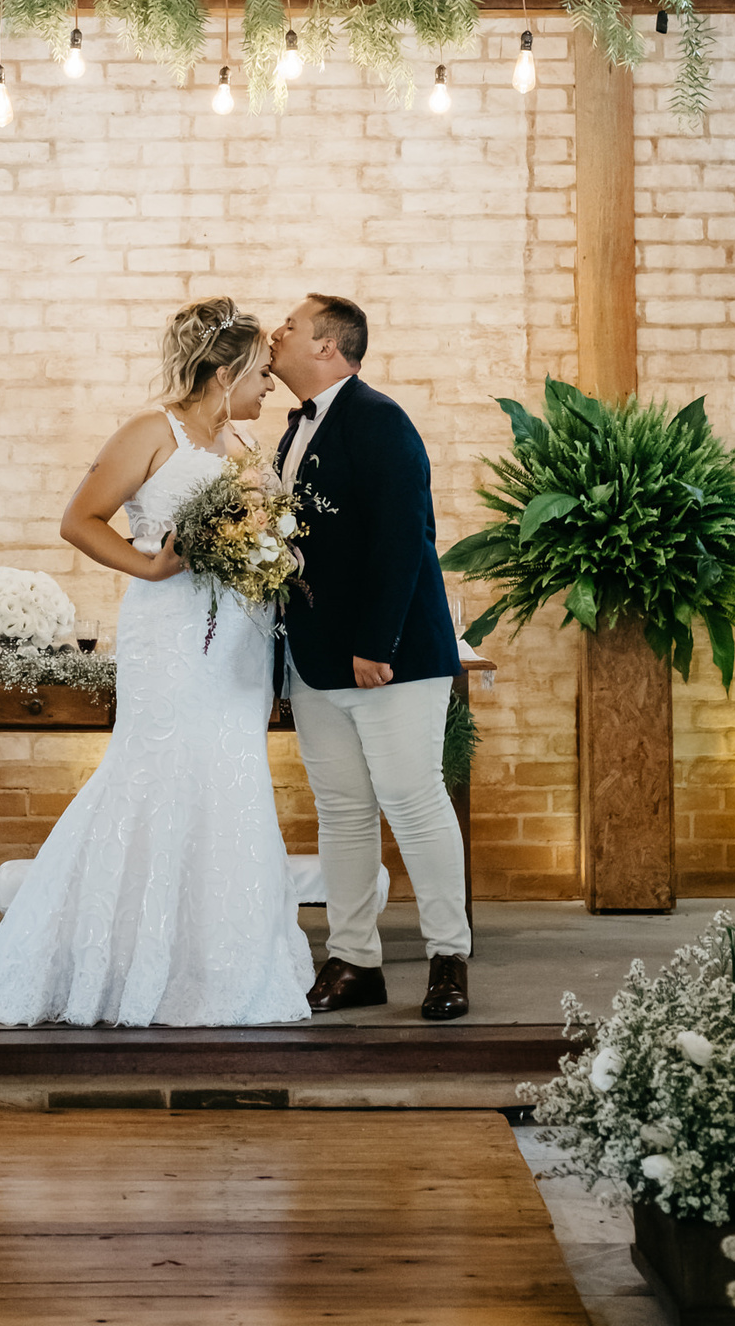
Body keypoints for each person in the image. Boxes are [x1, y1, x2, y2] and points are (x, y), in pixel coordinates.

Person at [0, 298, 314, 1028]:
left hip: (240, 645)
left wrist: (271, 552)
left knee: (232, 779)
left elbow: (265, 530)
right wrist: (150, 568)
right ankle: (120, 960)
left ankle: (219, 960)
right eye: (259, 375)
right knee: (156, 774)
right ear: (222, 374)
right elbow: (79, 520)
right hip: (173, 635)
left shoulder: (246, 450)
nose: (269, 389)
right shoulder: (150, 432)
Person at [269, 293, 471, 1021]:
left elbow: (403, 536)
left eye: (289, 325)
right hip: (318, 659)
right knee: (343, 812)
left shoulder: (380, 419)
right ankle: (354, 962)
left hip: (391, 657)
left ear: (328, 346)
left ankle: (449, 960)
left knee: (413, 802)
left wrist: (374, 646)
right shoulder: (291, 431)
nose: (275, 332)